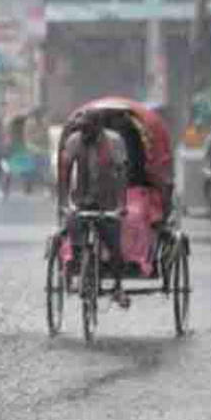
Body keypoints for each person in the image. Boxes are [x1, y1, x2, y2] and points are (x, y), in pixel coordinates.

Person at [59, 112, 131, 308]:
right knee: (75, 236)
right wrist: (65, 202)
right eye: (81, 129)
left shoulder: (113, 141)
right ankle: (79, 267)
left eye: (87, 129)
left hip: (106, 201)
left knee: (114, 248)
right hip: (81, 199)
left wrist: (122, 204)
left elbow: (122, 173)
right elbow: (65, 171)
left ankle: (117, 287)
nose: (84, 133)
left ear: (98, 127)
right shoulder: (75, 141)